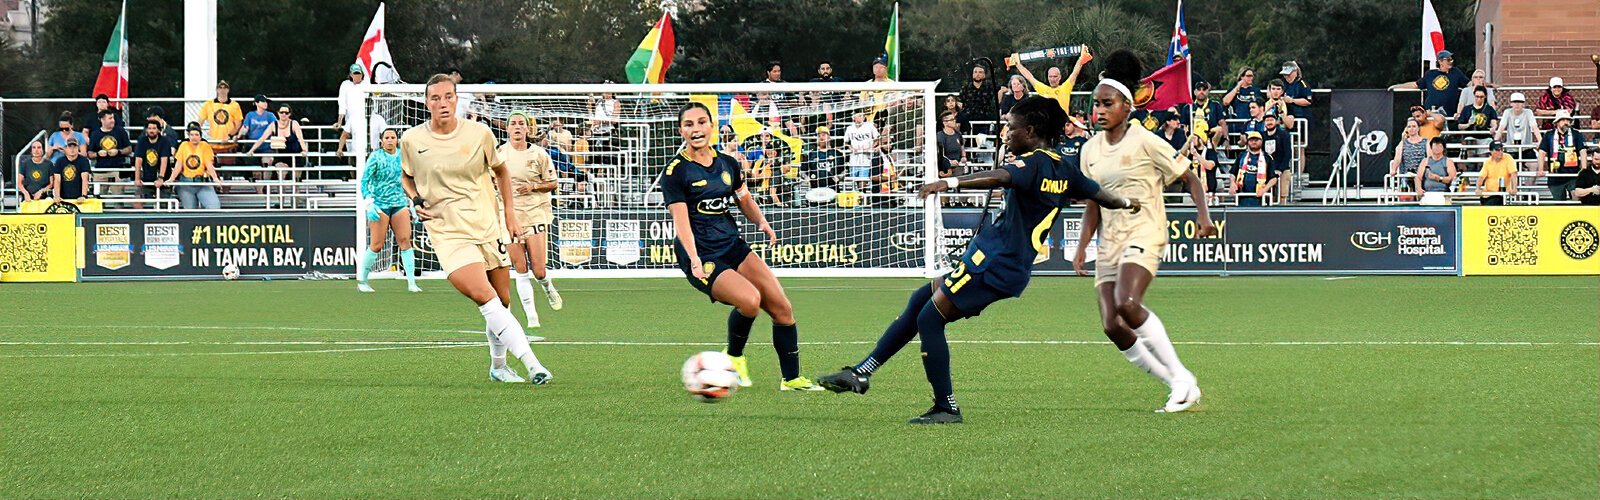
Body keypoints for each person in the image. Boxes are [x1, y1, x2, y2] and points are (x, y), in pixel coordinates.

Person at [815, 95, 1140, 424]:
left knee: (930, 319)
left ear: (1030, 130)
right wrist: (1130, 203)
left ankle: (946, 407)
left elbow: (1001, 177)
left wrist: (948, 181)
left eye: (1011, 128)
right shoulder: (1064, 168)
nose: (1006, 133)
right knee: (920, 300)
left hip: (994, 265)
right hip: (1001, 263)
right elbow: (1103, 196)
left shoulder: (1033, 164)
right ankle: (861, 372)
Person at [1074, 49, 1216, 413]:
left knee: (1128, 303)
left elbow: (1190, 177)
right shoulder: (1088, 150)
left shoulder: (1145, 141)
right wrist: (1081, 246)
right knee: (1111, 324)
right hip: (1110, 241)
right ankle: (1176, 383)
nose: (1099, 111)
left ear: (1126, 105)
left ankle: (1182, 376)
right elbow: (1093, 202)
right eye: (1096, 105)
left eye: (1107, 104)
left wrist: (1204, 216)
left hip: (1145, 230)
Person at [400, 73, 551, 385]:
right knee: (485, 297)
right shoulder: (412, 140)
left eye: (448, 96)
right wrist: (415, 199)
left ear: (457, 99)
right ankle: (533, 364)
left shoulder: (480, 134)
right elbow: (406, 176)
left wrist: (509, 214)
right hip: (447, 233)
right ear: (426, 102)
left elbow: (501, 172)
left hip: (486, 226)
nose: (442, 103)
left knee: (502, 299)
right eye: (435, 98)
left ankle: (498, 367)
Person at [660, 102, 822, 391]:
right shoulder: (676, 172)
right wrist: (695, 259)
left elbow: (743, 198)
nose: (696, 129)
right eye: (689, 124)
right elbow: (681, 220)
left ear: (711, 126)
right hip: (701, 254)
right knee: (749, 301)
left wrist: (761, 222)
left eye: (701, 123)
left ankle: (792, 379)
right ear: (681, 130)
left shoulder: (729, 164)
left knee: (782, 308)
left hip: (732, 245)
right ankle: (733, 358)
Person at [498, 112, 565, 327]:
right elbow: (490, 181)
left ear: (528, 129)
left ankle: (548, 287)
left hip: (535, 212)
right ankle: (531, 317)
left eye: (521, 124)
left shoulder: (539, 154)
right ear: (507, 129)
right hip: (509, 216)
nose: (517, 127)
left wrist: (533, 186)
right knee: (520, 268)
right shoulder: (499, 154)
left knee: (538, 270)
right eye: (513, 124)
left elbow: (553, 183)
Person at [356, 129, 421, 294]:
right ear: (382, 141)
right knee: (376, 245)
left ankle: (412, 282)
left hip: (399, 204)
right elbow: (365, 181)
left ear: (397, 140)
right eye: (387, 138)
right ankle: (362, 280)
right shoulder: (376, 157)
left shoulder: (403, 157)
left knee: (405, 241)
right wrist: (369, 203)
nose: (390, 140)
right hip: (380, 205)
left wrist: (413, 202)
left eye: (393, 137)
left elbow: (410, 179)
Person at [1390, 51, 1470, 117]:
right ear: (1440, 61)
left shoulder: (1456, 72)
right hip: (1432, 111)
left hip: (1450, 112)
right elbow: (1416, 85)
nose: (1451, 62)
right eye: (1448, 60)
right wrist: (1397, 86)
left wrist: (1479, 83)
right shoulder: (1430, 74)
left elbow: (1468, 83)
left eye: (1451, 59)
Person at [1013, 44, 1092, 112]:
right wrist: (1018, 64)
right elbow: (1029, 77)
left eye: (1055, 76)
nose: (1052, 79)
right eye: (1050, 76)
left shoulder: (1065, 87)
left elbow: (1075, 73)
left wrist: (1082, 57)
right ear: (1047, 77)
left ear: (1059, 77)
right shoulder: (1043, 89)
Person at [167, 124, 222, 210]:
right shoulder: (183, 145)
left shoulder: (205, 146)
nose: (194, 137)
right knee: (190, 210)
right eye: (192, 135)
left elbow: (209, 164)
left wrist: (215, 179)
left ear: (200, 137)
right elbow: (178, 164)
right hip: (186, 183)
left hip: (202, 183)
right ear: (188, 136)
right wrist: (171, 179)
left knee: (214, 206)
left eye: (196, 135)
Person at [1537, 110, 1588, 202]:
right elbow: (1542, 152)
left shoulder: (1576, 134)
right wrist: (1540, 169)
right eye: (1563, 120)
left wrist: (1584, 168)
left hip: (1573, 175)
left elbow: (1583, 151)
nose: (1566, 122)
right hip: (1555, 176)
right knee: (1559, 203)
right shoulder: (1549, 135)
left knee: (1577, 201)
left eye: (1568, 120)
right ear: (1556, 122)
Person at [247, 104, 308, 180]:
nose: (284, 114)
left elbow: (300, 138)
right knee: (281, 171)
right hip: (282, 156)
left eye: (286, 113)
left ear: (289, 114)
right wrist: (251, 150)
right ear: (278, 113)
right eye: (281, 112)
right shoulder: (273, 125)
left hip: (295, 155)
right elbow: (262, 139)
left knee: (297, 179)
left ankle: (296, 191)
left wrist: (304, 150)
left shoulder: (294, 124)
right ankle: (280, 191)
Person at [132, 120, 173, 208]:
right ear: (146, 130)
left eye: (154, 128)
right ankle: (143, 221)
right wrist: (137, 178)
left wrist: (161, 178)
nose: (151, 130)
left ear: (159, 130)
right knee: (137, 202)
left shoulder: (164, 141)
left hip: (164, 180)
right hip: (147, 179)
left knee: (163, 206)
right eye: (149, 128)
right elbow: (138, 160)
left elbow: (164, 160)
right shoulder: (142, 141)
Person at [1494, 92, 1540, 168]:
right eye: (1515, 102)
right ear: (1511, 103)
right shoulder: (1507, 112)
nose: (1517, 104)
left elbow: (1534, 127)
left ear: (1523, 104)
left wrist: (1540, 140)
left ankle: (1528, 181)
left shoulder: (1528, 112)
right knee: (1510, 169)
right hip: (1511, 149)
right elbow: (1501, 128)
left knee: (1534, 166)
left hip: (1526, 148)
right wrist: (1495, 141)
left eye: (1520, 102)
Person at [1231, 131, 1277, 206]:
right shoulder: (1242, 156)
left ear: (1261, 142)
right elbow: (1233, 173)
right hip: (1242, 196)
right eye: (1251, 140)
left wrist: (1264, 190)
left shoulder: (1267, 157)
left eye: (1256, 140)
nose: (1253, 142)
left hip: (1260, 198)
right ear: (1247, 142)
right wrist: (1232, 184)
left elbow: (1274, 178)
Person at [199, 80, 243, 154]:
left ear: (228, 90)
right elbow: (200, 122)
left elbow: (238, 124)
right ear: (217, 90)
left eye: (225, 88)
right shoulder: (208, 104)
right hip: (213, 143)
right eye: (220, 88)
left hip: (229, 144)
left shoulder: (235, 105)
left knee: (228, 164)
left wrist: (230, 136)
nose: (222, 90)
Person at [958, 61, 999, 135]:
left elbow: (1003, 89)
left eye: (980, 72)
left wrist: (1001, 92)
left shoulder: (990, 87)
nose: (977, 74)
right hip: (969, 120)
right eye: (975, 72)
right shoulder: (966, 87)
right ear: (972, 74)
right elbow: (959, 101)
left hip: (986, 120)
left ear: (984, 75)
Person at [1181, 81, 1227, 147]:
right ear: (1194, 92)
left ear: (1208, 91)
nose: (1201, 92)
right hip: (1193, 138)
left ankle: (1211, 150)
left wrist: (1226, 139)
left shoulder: (1215, 105)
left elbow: (1222, 122)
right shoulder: (1188, 107)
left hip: (1211, 136)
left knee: (1219, 129)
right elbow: (1184, 126)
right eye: (1199, 90)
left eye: (1204, 89)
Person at [801, 126, 845, 191]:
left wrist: (839, 177)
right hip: (815, 190)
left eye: (823, 135)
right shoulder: (811, 154)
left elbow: (844, 171)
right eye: (819, 136)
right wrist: (806, 178)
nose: (821, 137)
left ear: (829, 138)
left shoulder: (837, 153)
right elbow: (803, 171)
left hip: (833, 190)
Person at [335, 64, 366, 157]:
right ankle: (352, 170)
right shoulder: (345, 85)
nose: (357, 76)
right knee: (351, 150)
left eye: (359, 73)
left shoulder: (367, 84)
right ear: (351, 75)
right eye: (355, 73)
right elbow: (342, 103)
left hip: (365, 119)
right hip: (351, 121)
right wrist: (339, 121)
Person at [235, 95, 277, 162]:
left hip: (266, 146)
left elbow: (276, 128)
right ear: (256, 103)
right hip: (251, 145)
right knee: (255, 169)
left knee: (267, 164)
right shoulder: (250, 115)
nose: (265, 103)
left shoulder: (270, 115)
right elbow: (245, 128)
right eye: (263, 101)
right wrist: (238, 136)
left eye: (266, 102)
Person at [1475, 141, 1518, 205]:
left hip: (1501, 194)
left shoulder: (1508, 158)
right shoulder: (1487, 162)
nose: (1500, 152)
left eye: (1501, 149)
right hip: (1488, 194)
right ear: (1491, 151)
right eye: (1497, 150)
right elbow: (1481, 177)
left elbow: (1513, 173)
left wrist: (1514, 188)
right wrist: (1478, 188)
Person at [843, 111, 880, 180]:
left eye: (863, 116)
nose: (862, 117)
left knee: (864, 178)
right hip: (854, 156)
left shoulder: (870, 126)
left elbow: (877, 138)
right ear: (854, 117)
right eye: (859, 116)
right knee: (854, 177)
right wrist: (851, 148)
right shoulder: (849, 128)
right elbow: (846, 142)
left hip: (866, 156)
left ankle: (863, 190)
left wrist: (872, 147)